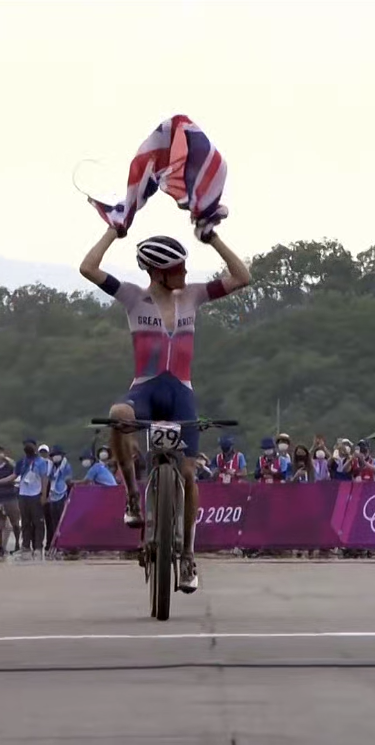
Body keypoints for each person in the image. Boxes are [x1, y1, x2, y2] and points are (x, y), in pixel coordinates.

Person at [79, 226, 251, 592]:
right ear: (158, 272)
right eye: (179, 268)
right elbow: (88, 268)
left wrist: (214, 238)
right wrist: (113, 230)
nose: (186, 273)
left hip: (181, 393)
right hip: (145, 389)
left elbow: (242, 276)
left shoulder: (193, 295)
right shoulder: (133, 298)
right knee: (118, 414)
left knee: (188, 474)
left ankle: (188, 556)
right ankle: (131, 496)